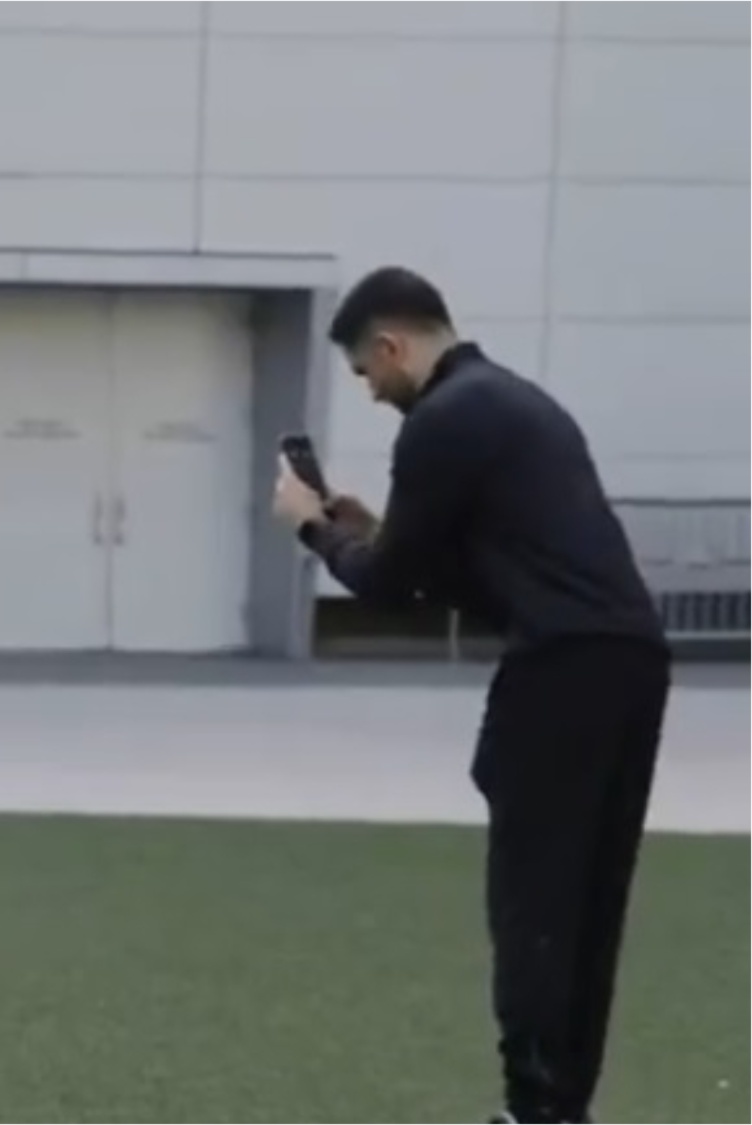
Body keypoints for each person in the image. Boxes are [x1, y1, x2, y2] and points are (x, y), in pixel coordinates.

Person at [269, 266, 671, 1125]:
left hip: (559, 674)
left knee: (533, 902)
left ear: (391, 345)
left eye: (366, 374)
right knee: (590, 905)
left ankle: (531, 1111)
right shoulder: (516, 403)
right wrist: (368, 528)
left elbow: (387, 589)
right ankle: (560, 1108)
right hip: (629, 663)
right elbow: (472, 574)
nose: (373, 394)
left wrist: (309, 524)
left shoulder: (441, 422)